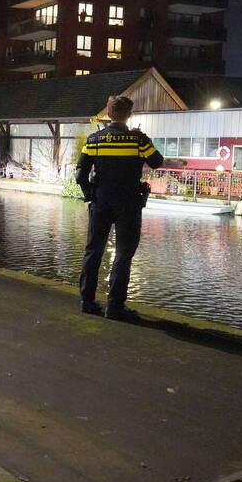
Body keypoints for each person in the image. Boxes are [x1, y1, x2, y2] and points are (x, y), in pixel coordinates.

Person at [76, 95, 163, 320]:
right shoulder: (138, 141)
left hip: (101, 202)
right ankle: (114, 306)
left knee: (93, 251)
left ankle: (86, 301)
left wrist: (91, 195)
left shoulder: (94, 140)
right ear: (129, 115)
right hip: (129, 204)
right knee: (123, 254)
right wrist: (142, 137)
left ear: (108, 114)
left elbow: (80, 174)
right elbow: (157, 161)